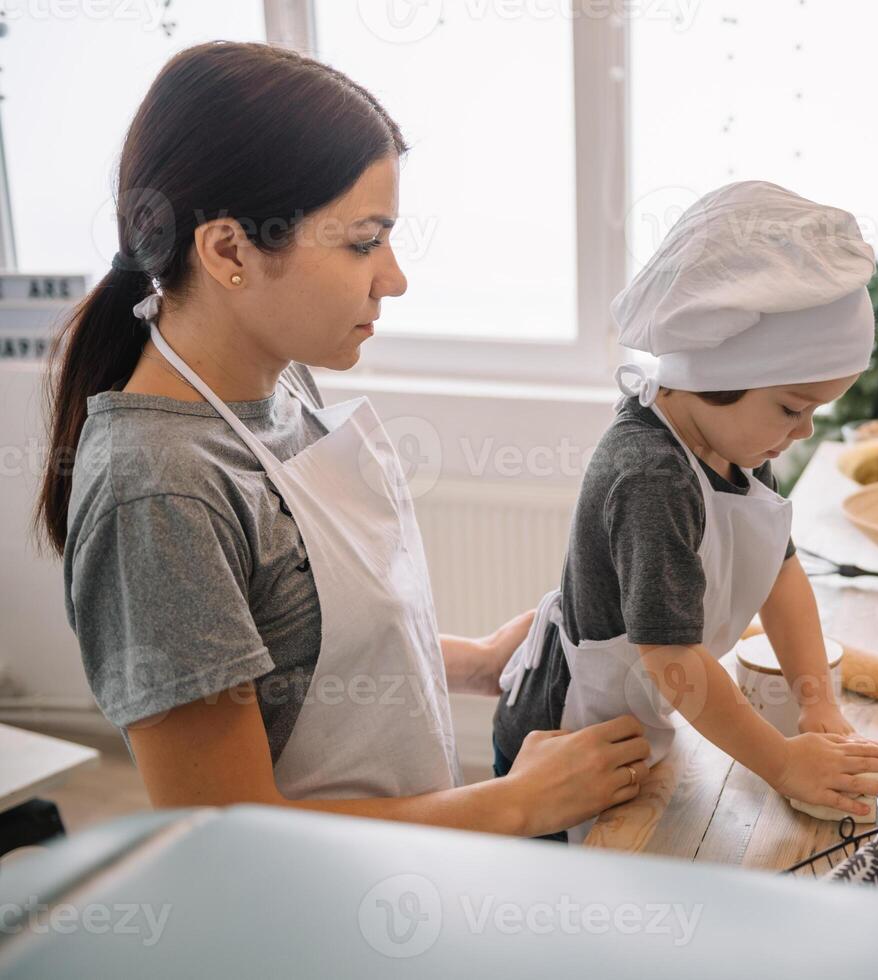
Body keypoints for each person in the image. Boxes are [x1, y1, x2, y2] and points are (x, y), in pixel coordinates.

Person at [36, 41, 647, 839]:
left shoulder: (277, 381)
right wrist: (517, 802)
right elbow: (229, 833)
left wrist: (474, 663)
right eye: (364, 241)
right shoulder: (159, 490)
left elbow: (301, 650)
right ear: (228, 251)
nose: (393, 277)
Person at [494, 181, 878, 842]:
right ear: (719, 375)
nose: (802, 432)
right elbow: (673, 659)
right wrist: (782, 764)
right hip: (565, 738)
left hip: (642, 721)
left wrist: (819, 707)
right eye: (792, 408)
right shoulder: (651, 475)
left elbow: (780, 573)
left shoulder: (734, 439)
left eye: (814, 412)